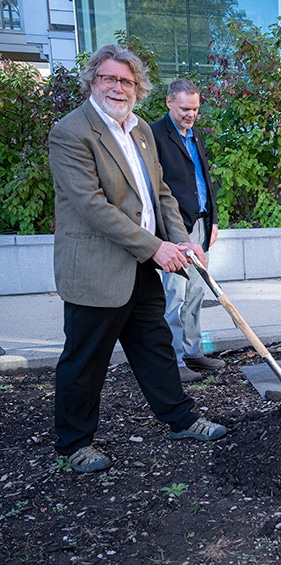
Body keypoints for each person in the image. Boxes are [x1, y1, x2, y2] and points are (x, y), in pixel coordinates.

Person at [48, 44, 227, 474]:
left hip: (140, 267)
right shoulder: (72, 132)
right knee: (85, 359)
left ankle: (180, 419)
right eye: (109, 78)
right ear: (93, 81)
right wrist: (156, 248)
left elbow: (160, 195)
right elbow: (93, 207)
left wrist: (181, 242)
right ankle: (73, 443)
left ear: (138, 88)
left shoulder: (141, 131)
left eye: (126, 81)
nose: (118, 87)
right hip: (97, 269)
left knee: (154, 347)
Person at [151, 78, 224, 383]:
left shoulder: (196, 135)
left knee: (195, 293)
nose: (190, 114)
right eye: (184, 108)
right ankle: (173, 361)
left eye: (195, 108)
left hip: (201, 225)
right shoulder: (154, 135)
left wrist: (214, 219)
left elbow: (204, 181)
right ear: (169, 102)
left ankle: (193, 353)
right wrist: (167, 233)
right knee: (175, 296)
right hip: (174, 229)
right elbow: (155, 187)